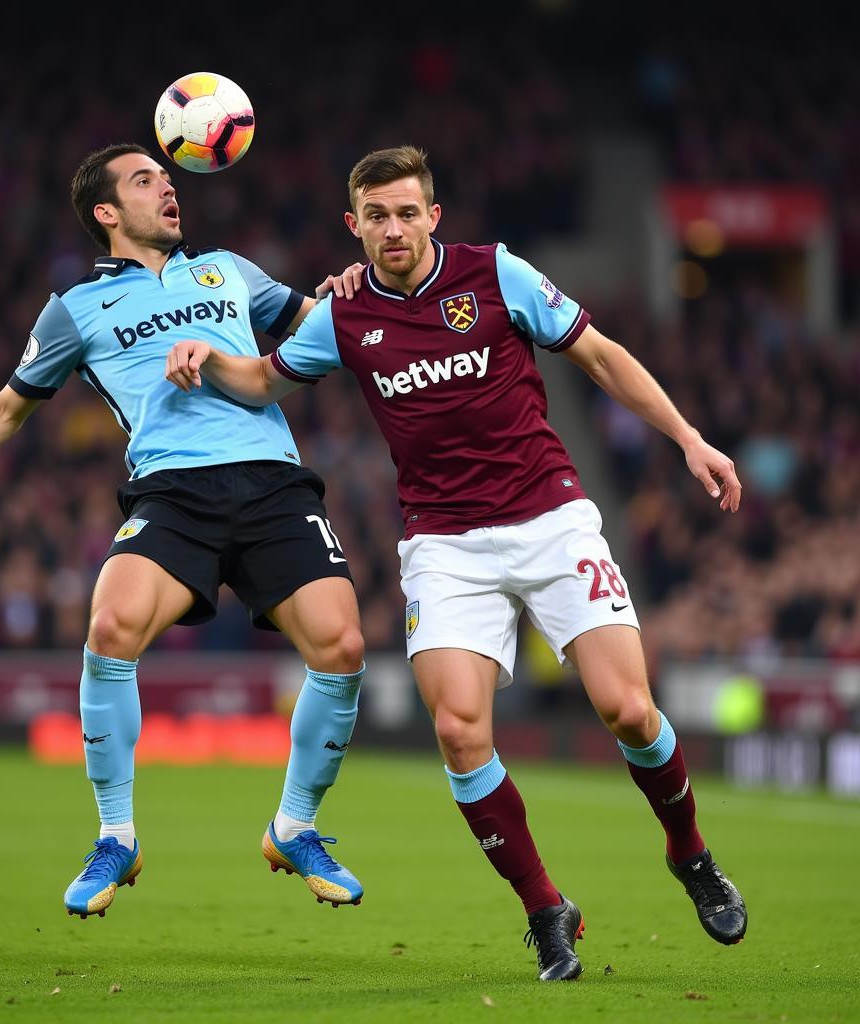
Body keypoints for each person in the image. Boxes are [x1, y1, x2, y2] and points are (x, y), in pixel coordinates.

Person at [165, 145, 748, 981]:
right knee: (457, 730)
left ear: (433, 216)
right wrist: (204, 360)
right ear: (353, 226)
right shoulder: (341, 318)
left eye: (408, 212)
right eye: (377, 216)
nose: (394, 228)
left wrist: (688, 439)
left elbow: (601, 355)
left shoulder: (497, 275)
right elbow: (262, 382)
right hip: (443, 545)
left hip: (551, 519)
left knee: (628, 711)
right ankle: (546, 908)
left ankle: (689, 853)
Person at [0, 143, 369, 920]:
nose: (169, 189)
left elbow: (329, 331)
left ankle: (295, 826)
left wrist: (351, 292)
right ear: (107, 212)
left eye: (170, 180)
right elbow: (9, 407)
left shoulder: (231, 273)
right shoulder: (73, 309)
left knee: (342, 648)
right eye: (147, 181)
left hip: (272, 479)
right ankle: (117, 836)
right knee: (111, 625)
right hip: (173, 491)